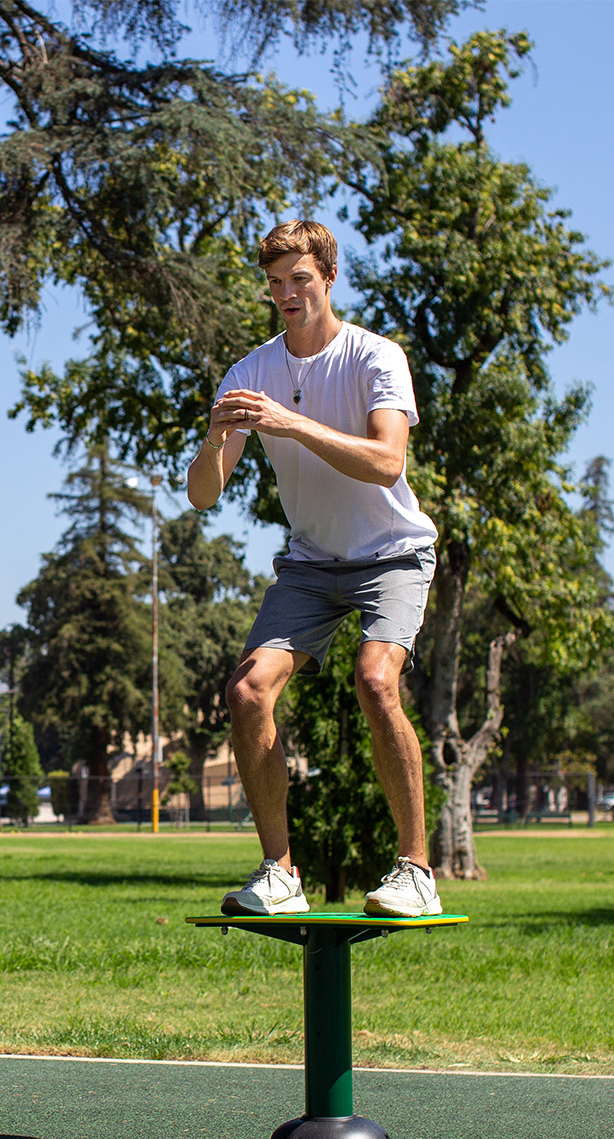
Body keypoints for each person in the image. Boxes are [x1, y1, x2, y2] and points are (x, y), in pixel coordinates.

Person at [186, 220, 441, 918]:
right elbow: (204, 495)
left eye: (299, 279)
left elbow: (387, 461)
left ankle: (417, 870)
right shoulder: (251, 372)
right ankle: (279, 873)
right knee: (247, 692)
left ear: (329, 276)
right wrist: (214, 439)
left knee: (376, 680)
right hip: (310, 563)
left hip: (392, 554)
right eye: (275, 283)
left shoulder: (376, 356)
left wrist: (291, 423)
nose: (286, 294)